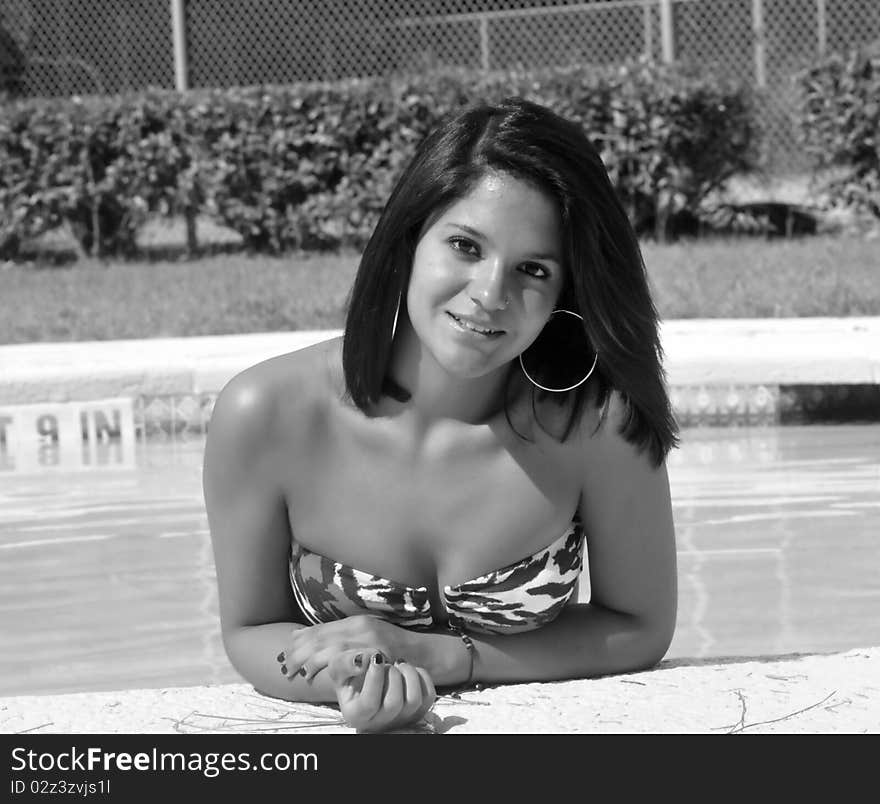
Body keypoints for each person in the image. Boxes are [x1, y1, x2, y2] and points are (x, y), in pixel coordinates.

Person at [203, 97, 679, 733]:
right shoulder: (264, 412)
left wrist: (444, 658)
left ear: (566, 292)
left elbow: (640, 627)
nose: (489, 295)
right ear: (408, 242)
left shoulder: (594, 425)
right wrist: (352, 680)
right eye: (464, 245)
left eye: (533, 269)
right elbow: (250, 630)